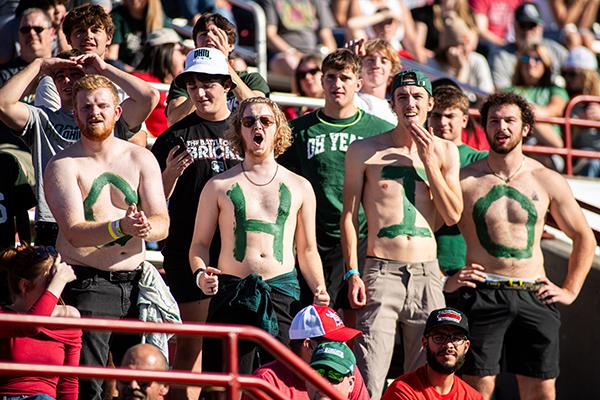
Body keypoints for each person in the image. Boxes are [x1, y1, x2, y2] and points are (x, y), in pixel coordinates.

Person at [446, 92, 596, 400]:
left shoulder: (546, 179)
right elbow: (424, 227)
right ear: (484, 128)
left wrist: (569, 290)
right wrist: (446, 276)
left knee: (540, 389)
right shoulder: (465, 180)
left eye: (510, 121)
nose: (501, 127)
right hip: (482, 292)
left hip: (534, 292)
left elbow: (584, 236)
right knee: (477, 388)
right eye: (494, 121)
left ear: (525, 128)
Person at [43, 74, 169, 400]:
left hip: (138, 284)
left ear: (117, 112)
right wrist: (120, 228)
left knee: (142, 385)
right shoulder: (63, 165)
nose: (94, 112)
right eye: (86, 107)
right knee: (90, 387)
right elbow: (74, 231)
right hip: (87, 285)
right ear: (75, 113)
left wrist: (146, 228)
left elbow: (161, 222)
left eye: (102, 105)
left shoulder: (141, 158)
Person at [341, 69, 462, 400]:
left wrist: (429, 163)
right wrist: (352, 271)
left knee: (428, 378)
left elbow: (453, 214)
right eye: (403, 97)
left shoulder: (446, 152)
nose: (410, 103)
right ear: (392, 103)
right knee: (369, 370)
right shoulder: (364, 150)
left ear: (430, 103)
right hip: (380, 269)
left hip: (427, 272)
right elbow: (349, 216)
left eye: (417, 97)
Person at [190, 96, 330, 374]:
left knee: (280, 381)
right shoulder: (218, 185)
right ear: (239, 130)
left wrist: (319, 287)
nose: (258, 126)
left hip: (283, 294)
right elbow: (199, 244)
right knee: (226, 386)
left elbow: (307, 249)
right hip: (232, 293)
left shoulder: (300, 185)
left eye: (266, 121)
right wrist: (200, 274)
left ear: (277, 129)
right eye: (249, 121)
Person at [151, 46, 241, 400]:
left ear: (227, 85)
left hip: (240, 251)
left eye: (210, 84)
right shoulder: (175, 136)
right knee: (193, 347)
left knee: (236, 353)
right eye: (193, 85)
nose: (201, 92)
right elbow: (152, 199)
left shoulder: (248, 128)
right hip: (191, 249)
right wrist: (170, 176)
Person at [0, 50, 159, 247]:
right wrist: (39, 65)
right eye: (60, 76)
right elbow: (3, 104)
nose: (67, 80)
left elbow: (149, 97)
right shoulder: (41, 118)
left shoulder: (106, 119)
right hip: (53, 221)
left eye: (75, 73)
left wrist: (105, 69)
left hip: (103, 221)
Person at [279, 49, 395, 311]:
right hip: (312, 235)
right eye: (331, 77)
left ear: (359, 84)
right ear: (321, 81)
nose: (337, 85)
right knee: (310, 317)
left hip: (362, 233)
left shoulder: (379, 130)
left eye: (344, 78)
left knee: (356, 314)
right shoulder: (299, 130)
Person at [0, 244, 81, 400]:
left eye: (57, 282)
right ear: (24, 286)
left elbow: (69, 381)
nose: (57, 291)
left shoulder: (67, 318)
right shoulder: (4, 315)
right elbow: (32, 326)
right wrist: (58, 282)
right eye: (50, 283)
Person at [165, 12, 270, 126]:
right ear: (196, 45)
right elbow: (174, 121)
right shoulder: (185, 81)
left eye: (216, 33)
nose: (209, 36)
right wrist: (196, 90)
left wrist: (223, 62)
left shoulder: (251, 79)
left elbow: (258, 112)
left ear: (230, 45)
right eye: (204, 34)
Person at [249, 305, 369, 400]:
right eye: (333, 342)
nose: (342, 347)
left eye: (343, 341)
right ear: (308, 345)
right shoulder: (268, 381)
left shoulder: (346, 370)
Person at [428, 86, 487, 277]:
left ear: (464, 119)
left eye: (449, 116)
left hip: (466, 265)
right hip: (423, 261)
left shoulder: (480, 160)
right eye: (436, 116)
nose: (442, 122)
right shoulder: (414, 155)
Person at [381, 307, 483, 400]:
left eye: (456, 339)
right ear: (425, 343)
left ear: (466, 347)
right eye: (439, 338)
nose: (448, 345)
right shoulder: (402, 390)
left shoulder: (473, 397)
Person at [490, 2, 568, 90]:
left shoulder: (554, 49)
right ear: (514, 27)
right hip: (518, 100)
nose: (527, 31)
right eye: (523, 25)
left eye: (532, 25)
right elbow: (502, 91)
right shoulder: (502, 55)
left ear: (540, 27)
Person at [132, 28, 187, 137]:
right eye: (181, 51)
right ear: (166, 51)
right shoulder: (138, 81)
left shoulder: (186, 84)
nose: (184, 57)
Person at [263, 0, 337, 77]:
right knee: (295, 64)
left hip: (314, 53)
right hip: (284, 54)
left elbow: (326, 35)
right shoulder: (271, 1)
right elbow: (270, 35)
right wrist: (292, 52)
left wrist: (331, 59)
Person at [426, 15, 494, 94]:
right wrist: (460, 69)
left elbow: (486, 95)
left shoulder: (478, 60)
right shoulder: (432, 63)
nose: (466, 49)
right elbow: (450, 101)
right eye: (459, 46)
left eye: (467, 44)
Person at [561, 46, 600, 177]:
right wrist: (578, 125)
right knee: (591, 162)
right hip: (582, 158)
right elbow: (565, 143)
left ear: (587, 75)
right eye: (564, 73)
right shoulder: (566, 99)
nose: (567, 78)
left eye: (572, 74)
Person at [348, 38, 401, 125]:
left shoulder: (396, 111)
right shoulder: (349, 99)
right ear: (359, 66)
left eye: (384, 61)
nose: (376, 65)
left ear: (392, 70)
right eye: (370, 60)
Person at [0, 8, 54, 88]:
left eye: (38, 29)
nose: (31, 33)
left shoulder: (64, 70)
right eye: (25, 30)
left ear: (51, 33)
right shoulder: (3, 75)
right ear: (18, 35)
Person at [107, 0, 167, 71]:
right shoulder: (117, 16)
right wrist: (136, 73)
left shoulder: (159, 17)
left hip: (151, 73)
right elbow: (112, 57)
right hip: (125, 72)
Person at [0, 152, 36, 250]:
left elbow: (22, 210)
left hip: (5, 251)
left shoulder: (8, 161)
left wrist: (26, 246)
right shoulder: (7, 161)